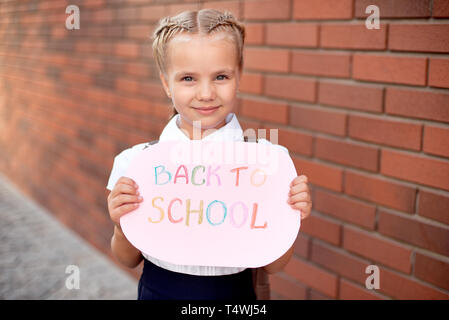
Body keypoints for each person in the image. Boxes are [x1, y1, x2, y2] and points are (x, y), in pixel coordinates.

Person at [106, 9, 312, 300]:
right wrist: (121, 226)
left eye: (221, 76)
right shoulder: (136, 164)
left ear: (238, 76)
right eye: (188, 78)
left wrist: (291, 217)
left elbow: (274, 264)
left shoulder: (267, 164)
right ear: (166, 83)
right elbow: (128, 259)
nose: (205, 93)